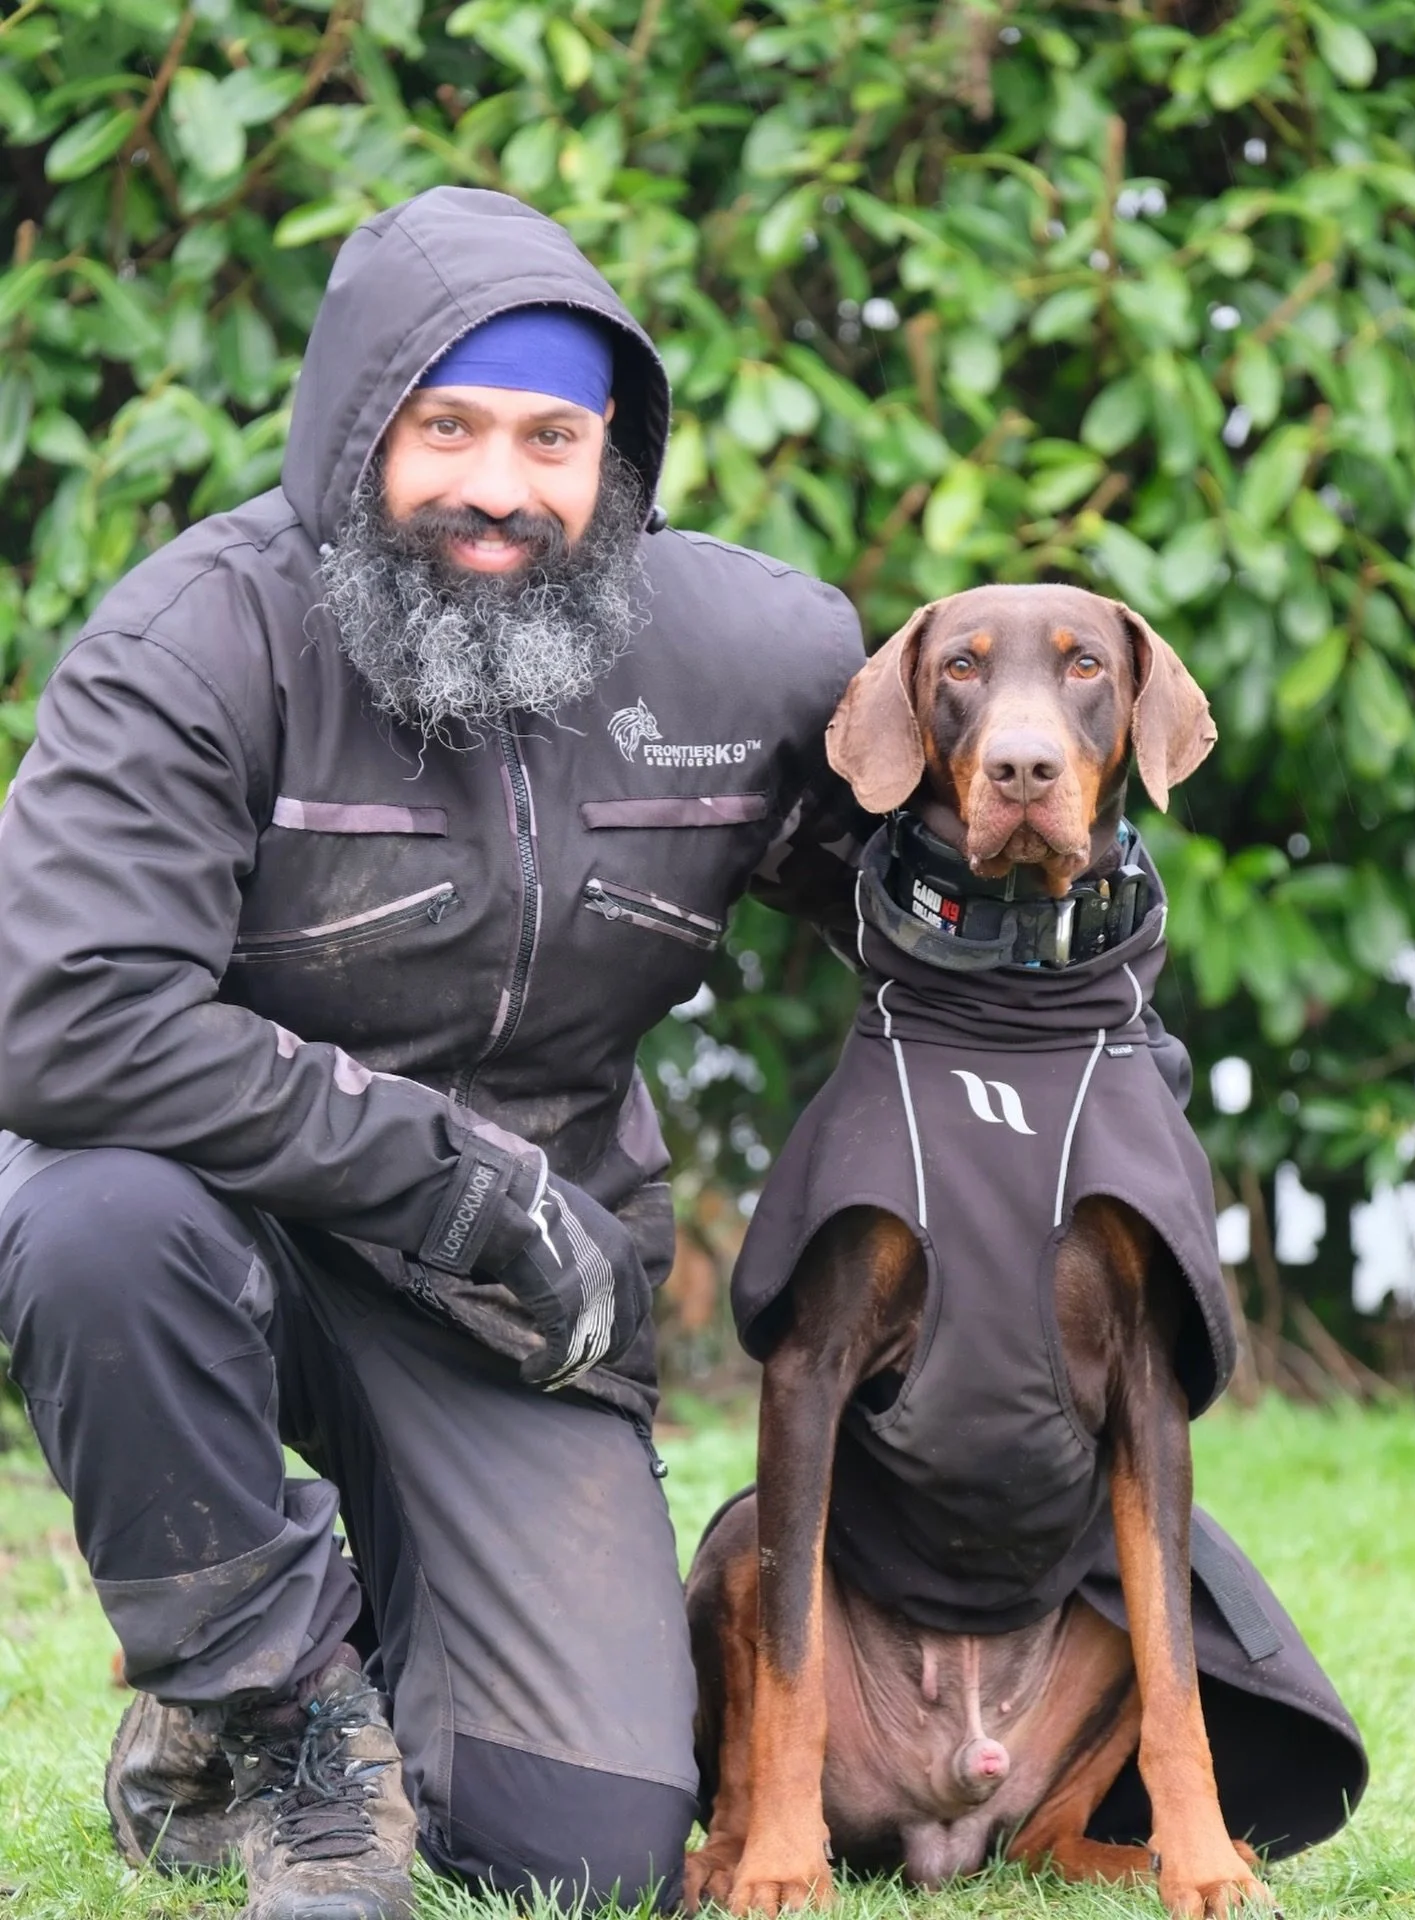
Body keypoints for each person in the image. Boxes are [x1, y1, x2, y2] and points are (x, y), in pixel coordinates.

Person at [0, 187, 868, 1920]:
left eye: (554, 436)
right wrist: (462, 1182)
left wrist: (1073, 914)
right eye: (446, 426)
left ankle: (342, 1653)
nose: (497, 488)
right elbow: (64, 1020)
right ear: (351, 432)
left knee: (588, 1848)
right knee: (89, 1221)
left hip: (512, 1320)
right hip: (230, 1234)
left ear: (615, 454)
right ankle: (272, 1719)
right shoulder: (197, 641)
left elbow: (923, 920)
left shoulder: (758, 651)